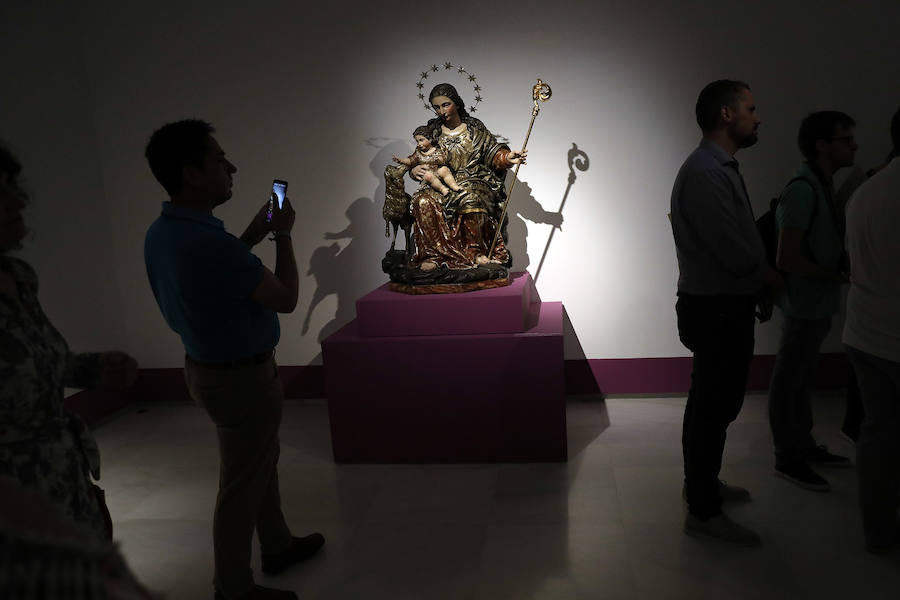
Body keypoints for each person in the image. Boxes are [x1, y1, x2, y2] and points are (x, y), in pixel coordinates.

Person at [143, 120, 323, 600]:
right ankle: (234, 587)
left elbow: (223, 273)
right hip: (241, 377)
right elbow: (283, 297)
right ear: (192, 174)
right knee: (242, 484)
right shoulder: (207, 242)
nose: (232, 167)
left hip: (207, 368)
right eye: (219, 159)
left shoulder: (164, 233)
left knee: (258, 465)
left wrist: (252, 231)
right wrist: (283, 235)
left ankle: (278, 544)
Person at [0, 142, 138, 542]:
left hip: (62, 478)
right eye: (1, 194)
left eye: (14, 189)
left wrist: (93, 368)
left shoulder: (19, 277)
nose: (17, 203)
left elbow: (42, 360)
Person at [670, 80, 781, 546]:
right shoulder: (705, 172)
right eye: (751, 108)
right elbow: (732, 250)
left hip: (721, 306)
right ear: (726, 114)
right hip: (715, 309)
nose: (758, 117)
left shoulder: (716, 168)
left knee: (711, 404)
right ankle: (703, 509)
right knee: (714, 407)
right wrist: (773, 277)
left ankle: (702, 487)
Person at [768, 111, 856, 492]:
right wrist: (831, 274)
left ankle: (801, 446)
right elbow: (785, 257)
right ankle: (788, 457)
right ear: (822, 145)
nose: (853, 146)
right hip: (803, 303)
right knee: (790, 381)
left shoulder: (819, 186)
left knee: (800, 380)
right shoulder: (803, 189)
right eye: (845, 139)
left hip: (814, 304)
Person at [843, 106, 900, 554]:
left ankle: (877, 533)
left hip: (865, 330)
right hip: (889, 333)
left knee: (878, 434)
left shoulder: (866, 191)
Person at [394, 83, 526, 273]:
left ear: (456, 103)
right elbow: (418, 158)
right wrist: (414, 171)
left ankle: (476, 253)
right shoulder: (433, 133)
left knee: (470, 198)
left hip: (474, 179)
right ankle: (433, 255)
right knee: (423, 202)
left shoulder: (474, 130)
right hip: (439, 182)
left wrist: (507, 158)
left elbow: (493, 153)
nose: (441, 111)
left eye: (445, 105)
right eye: (436, 107)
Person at [392, 125, 461, 197]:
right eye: (417, 141)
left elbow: (445, 159)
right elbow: (411, 160)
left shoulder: (437, 149)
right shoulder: (418, 153)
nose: (419, 144)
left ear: (430, 139)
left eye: (421, 140)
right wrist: (401, 160)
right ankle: (443, 189)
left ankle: (454, 185)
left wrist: (440, 159)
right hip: (428, 175)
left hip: (438, 171)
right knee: (428, 176)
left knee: (444, 170)